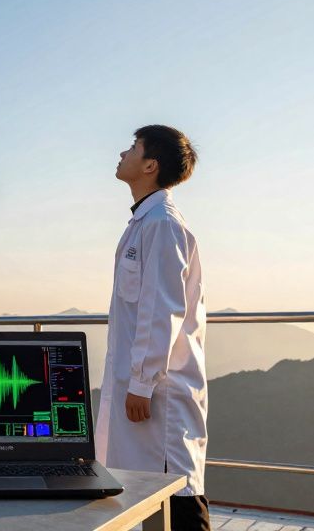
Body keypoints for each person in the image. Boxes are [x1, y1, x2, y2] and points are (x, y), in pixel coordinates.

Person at [96, 124, 209, 531]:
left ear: (150, 165)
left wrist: (142, 383)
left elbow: (163, 310)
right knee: (150, 497)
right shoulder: (143, 222)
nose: (122, 153)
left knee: (178, 500)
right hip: (141, 386)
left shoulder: (162, 224)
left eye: (132, 147)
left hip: (160, 395)